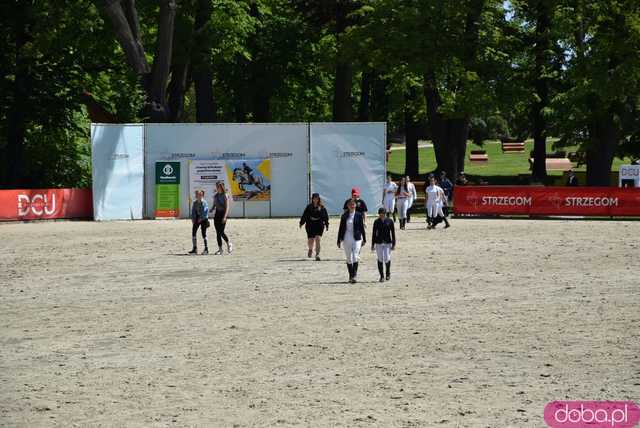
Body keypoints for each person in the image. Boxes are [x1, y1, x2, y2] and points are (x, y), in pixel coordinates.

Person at [337, 198, 366, 283]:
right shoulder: (344, 216)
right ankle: (350, 275)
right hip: (346, 237)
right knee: (349, 258)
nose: (352, 206)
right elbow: (341, 228)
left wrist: (364, 238)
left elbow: (362, 228)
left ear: (355, 205)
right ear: (348, 206)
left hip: (357, 238)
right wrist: (338, 240)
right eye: (350, 205)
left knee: (355, 256)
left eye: (353, 204)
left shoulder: (359, 215)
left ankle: (354, 275)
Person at [299, 193, 329, 261]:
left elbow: (325, 216)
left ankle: (317, 254)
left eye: (317, 198)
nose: (315, 199)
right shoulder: (309, 207)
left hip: (319, 224)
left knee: (318, 239)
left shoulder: (322, 207)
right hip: (310, 224)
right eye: (314, 198)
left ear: (319, 199)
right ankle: (310, 249)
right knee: (311, 240)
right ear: (312, 199)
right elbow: (305, 215)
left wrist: (327, 224)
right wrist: (301, 223)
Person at [371, 207, 396, 282]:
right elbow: (374, 234)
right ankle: (381, 276)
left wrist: (394, 243)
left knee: (387, 258)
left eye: (383, 214)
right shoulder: (376, 222)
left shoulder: (390, 221)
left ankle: (388, 273)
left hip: (387, 242)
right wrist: (373, 244)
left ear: (385, 214)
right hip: (378, 242)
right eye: (380, 213)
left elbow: (393, 233)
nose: (382, 215)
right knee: (380, 259)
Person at [213, 181, 233, 255]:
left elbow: (227, 207)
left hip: (223, 214)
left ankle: (229, 243)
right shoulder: (216, 196)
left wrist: (225, 217)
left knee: (221, 232)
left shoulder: (225, 195)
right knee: (218, 233)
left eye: (218, 187)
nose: (217, 188)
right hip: (217, 215)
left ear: (222, 187)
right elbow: (214, 204)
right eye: (217, 186)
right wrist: (212, 208)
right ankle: (220, 249)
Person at [189, 189, 209, 254]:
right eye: (197, 195)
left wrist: (201, 218)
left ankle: (206, 249)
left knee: (204, 233)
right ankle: (195, 248)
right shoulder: (195, 203)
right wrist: (193, 219)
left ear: (202, 195)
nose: (198, 196)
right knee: (193, 232)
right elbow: (193, 211)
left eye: (200, 195)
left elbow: (205, 212)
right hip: (197, 218)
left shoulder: (204, 203)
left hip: (204, 219)